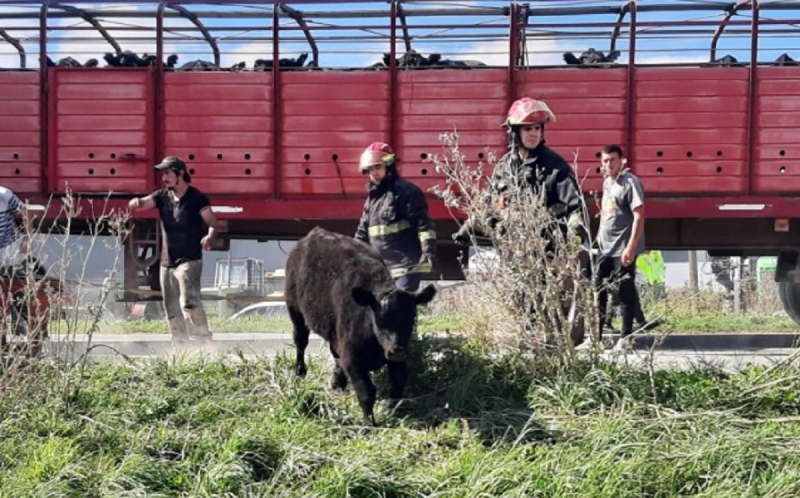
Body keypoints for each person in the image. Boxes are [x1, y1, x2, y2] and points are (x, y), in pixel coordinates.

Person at [453, 97, 591, 344]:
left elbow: (575, 209)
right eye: (528, 128)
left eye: (537, 128)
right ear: (515, 131)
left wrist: (571, 246)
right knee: (521, 308)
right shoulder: (504, 167)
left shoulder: (555, 167)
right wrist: (468, 229)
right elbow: (490, 203)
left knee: (549, 313)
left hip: (548, 254)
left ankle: (552, 360)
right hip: (514, 254)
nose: (534, 133)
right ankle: (530, 361)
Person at [128, 156, 218, 343]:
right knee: (171, 307)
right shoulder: (162, 197)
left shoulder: (196, 198)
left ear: (181, 173)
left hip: (189, 260)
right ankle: (180, 344)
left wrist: (209, 236)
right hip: (166, 262)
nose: (164, 177)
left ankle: (203, 340)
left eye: (168, 172)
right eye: (163, 173)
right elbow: (144, 203)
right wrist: (136, 202)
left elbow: (212, 222)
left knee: (190, 303)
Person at [354, 142, 437, 292]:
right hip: (381, 271)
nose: (374, 173)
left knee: (398, 309)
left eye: (378, 167)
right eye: (370, 170)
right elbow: (362, 235)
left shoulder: (407, 192)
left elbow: (424, 226)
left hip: (407, 268)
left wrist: (428, 252)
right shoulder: (372, 200)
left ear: (389, 166)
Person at [592, 144, 646, 351]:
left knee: (624, 291)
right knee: (599, 290)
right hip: (605, 248)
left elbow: (639, 215)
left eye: (612, 160)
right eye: (605, 161)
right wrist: (597, 237)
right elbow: (607, 214)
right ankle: (596, 338)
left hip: (622, 248)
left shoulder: (630, 183)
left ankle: (626, 337)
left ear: (621, 160)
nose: (608, 164)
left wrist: (631, 247)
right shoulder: (607, 183)